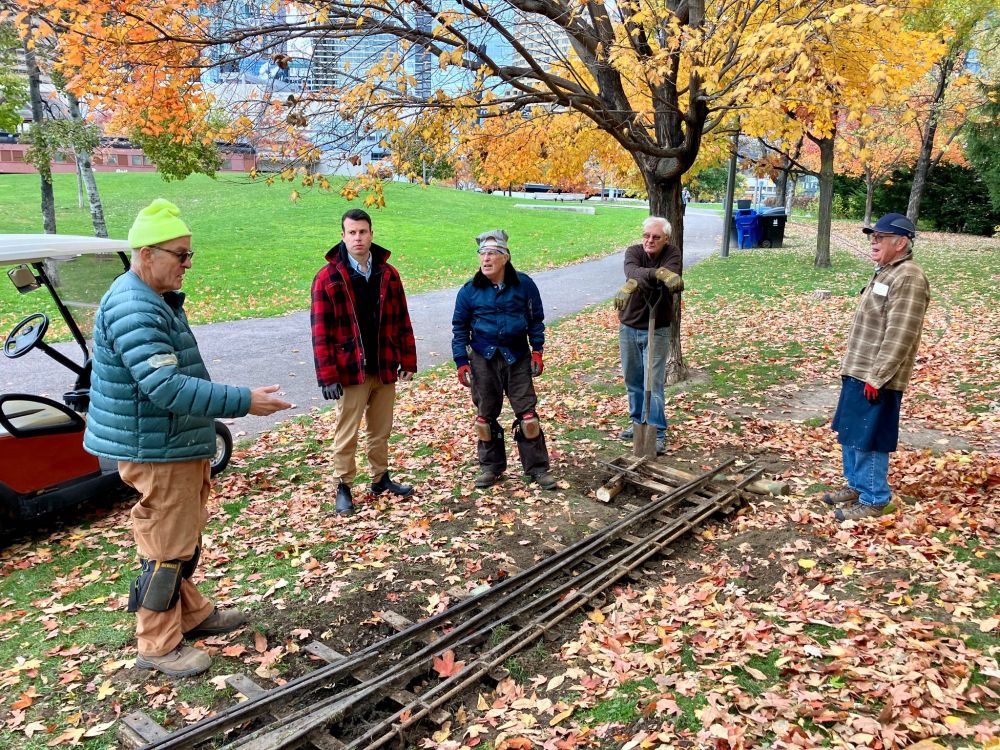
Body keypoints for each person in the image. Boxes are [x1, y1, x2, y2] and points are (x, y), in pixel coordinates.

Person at [84, 198, 292, 678]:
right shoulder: (135, 305)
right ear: (147, 253)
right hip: (158, 448)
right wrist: (244, 401)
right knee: (165, 546)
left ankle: (193, 613)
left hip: (174, 442)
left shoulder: (149, 296)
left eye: (188, 255)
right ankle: (157, 643)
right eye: (181, 255)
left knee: (182, 537)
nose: (187, 265)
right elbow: (164, 387)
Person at [311, 208, 417, 516]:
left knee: (381, 429)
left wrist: (407, 358)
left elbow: (402, 320)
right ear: (343, 236)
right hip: (349, 371)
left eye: (363, 232)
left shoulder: (388, 274)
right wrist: (327, 376)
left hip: (384, 366)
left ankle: (380, 478)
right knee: (347, 431)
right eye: (352, 232)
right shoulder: (328, 278)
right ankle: (343, 485)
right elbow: (320, 331)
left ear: (371, 234)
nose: (358, 237)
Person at [824, 212, 930, 521]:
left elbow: (901, 333)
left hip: (877, 376)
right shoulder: (886, 271)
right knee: (852, 432)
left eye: (880, 237)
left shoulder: (908, 276)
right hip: (858, 368)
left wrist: (878, 377)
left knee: (870, 437)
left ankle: (875, 498)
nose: (874, 240)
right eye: (873, 236)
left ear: (901, 242)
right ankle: (858, 487)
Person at [451, 229, 557, 490]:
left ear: (505, 257)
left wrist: (537, 351)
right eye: (482, 254)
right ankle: (491, 467)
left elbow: (536, 320)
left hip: (517, 357)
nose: (485, 259)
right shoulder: (469, 291)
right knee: (484, 419)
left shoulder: (524, 285)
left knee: (529, 418)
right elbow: (459, 329)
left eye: (491, 254)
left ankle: (537, 469)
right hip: (483, 360)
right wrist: (461, 362)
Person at [613, 216, 683, 455]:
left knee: (652, 383)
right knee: (633, 380)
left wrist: (642, 279)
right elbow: (631, 270)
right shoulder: (633, 251)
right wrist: (658, 274)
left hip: (658, 328)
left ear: (666, 239)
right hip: (629, 327)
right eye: (646, 235)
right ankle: (637, 423)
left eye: (655, 237)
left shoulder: (672, 253)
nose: (649, 241)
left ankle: (657, 431)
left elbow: (669, 274)